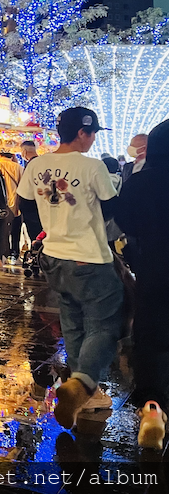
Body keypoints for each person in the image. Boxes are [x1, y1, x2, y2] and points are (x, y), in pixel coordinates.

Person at [16, 107, 122, 430]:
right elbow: (112, 208)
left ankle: (79, 393)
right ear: (81, 133)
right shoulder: (92, 167)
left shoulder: (37, 165)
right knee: (105, 323)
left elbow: (24, 205)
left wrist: (44, 232)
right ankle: (84, 385)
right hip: (89, 257)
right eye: (92, 134)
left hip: (54, 258)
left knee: (72, 323)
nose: (92, 140)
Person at [118, 120, 169, 449]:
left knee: (150, 335)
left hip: (154, 267)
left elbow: (125, 219)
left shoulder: (143, 180)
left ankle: (152, 405)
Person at [0, 152, 24, 263]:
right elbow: (23, 186)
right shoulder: (18, 167)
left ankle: (3, 251)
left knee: (1, 229)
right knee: (15, 229)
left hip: (1, 204)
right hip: (15, 204)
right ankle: (14, 251)